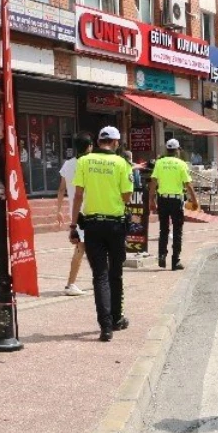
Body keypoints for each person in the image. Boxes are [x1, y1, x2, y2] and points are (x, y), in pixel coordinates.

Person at [71, 126, 133, 342]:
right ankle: (117, 318)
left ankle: (105, 327)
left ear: (98, 142)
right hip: (115, 225)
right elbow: (127, 196)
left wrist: (73, 226)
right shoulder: (122, 163)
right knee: (115, 273)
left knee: (100, 276)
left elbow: (78, 195)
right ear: (116, 143)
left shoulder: (84, 161)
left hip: (92, 225)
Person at [151, 138, 199, 270]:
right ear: (177, 150)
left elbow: (153, 182)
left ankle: (161, 255)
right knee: (177, 230)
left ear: (167, 150)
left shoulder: (159, 163)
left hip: (162, 200)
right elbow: (188, 184)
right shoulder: (181, 164)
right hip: (176, 200)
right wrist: (195, 201)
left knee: (164, 229)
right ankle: (175, 261)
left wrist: (151, 200)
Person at [56, 133, 93, 297]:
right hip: (90, 211)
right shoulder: (89, 164)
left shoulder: (68, 164)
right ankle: (71, 284)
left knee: (82, 246)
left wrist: (58, 210)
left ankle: (74, 283)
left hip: (75, 213)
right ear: (89, 146)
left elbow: (61, 189)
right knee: (83, 247)